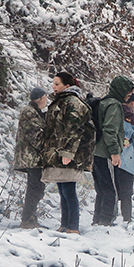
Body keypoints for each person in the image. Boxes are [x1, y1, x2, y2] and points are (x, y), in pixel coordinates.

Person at [41, 72, 93, 234]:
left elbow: (74, 129)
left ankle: (73, 226)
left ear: (67, 86)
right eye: (53, 83)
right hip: (58, 152)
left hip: (68, 154)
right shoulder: (62, 101)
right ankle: (65, 224)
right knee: (63, 189)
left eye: (57, 84)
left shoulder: (72, 102)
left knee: (69, 190)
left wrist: (68, 153)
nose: (53, 87)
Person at [92, 75, 134, 226]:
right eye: (127, 94)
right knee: (111, 189)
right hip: (105, 153)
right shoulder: (114, 105)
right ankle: (105, 221)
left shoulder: (103, 102)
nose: (128, 97)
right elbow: (110, 130)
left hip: (95, 151)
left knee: (101, 189)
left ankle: (97, 220)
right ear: (120, 90)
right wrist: (114, 152)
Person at [13, 87, 47, 228]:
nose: (46, 101)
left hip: (33, 157)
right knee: (35, 188)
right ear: (40, 98)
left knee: (36, 187)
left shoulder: (34, 112)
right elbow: (36, 136)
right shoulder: (30, 112)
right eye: (45, 97)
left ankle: (30, 218)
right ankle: (28, 219)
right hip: (32, 157)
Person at [117, 92, 134, 222]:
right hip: (126, 159)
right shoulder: (130, 116)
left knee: (110, 189)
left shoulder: (112, 110)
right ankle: (126, 218)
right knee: (126, 192)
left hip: (107, 156)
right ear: (133, 103)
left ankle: (107, 218)